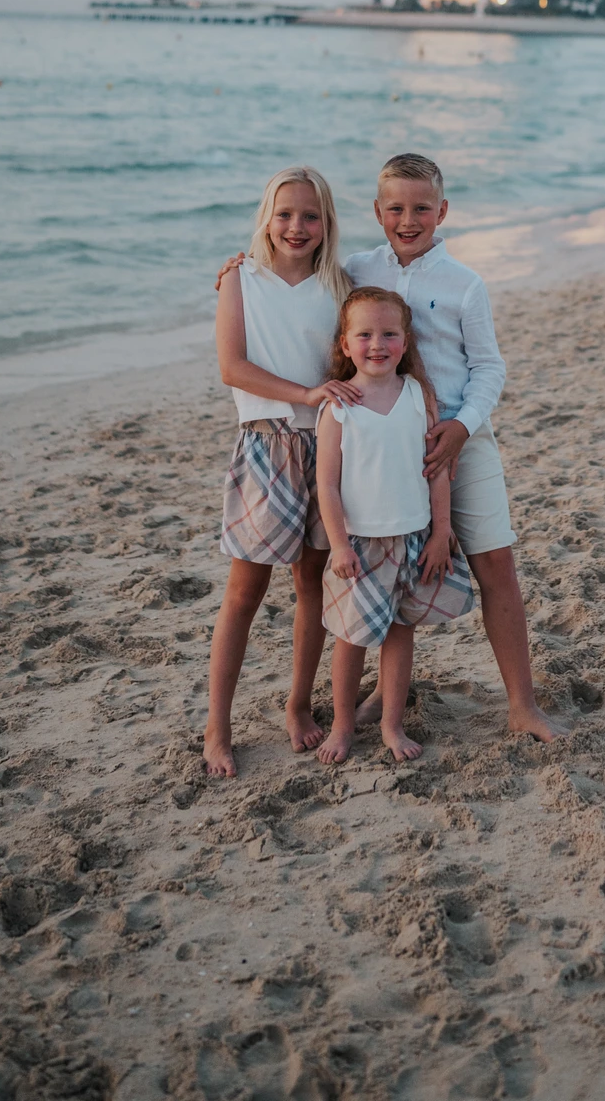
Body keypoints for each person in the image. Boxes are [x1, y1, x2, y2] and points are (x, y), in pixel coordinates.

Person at [345, 153, 558, 742]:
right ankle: (384, 691)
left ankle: (523, 705)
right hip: (386, 445)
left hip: (463, 437)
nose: (408, 220)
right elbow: (300, 277)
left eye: (421, 208)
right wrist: (241, 268)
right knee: (379, 565)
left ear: (442, 210)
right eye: (395, 208)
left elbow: (489, 367)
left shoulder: (464, 283)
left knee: (495, 562)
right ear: (378, 211)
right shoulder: (358, 268)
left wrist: (462, 428)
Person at [204, 166, 353, 777]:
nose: (297, 227)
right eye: (284, 214)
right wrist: (307, 393)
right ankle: (217, 728)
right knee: (244, 592)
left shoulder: (339, 283)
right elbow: (232, 368)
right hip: (266, 450)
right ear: (266, 217)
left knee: (312, 586)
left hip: (326, 450)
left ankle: (297, 705)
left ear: (327, 224)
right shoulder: (241, 279)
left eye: (310, 216)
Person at [315, 286, 474, 764]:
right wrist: (339, 546)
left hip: (414, 536)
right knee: (352, 640)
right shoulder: (339, 407)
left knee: (401, 632)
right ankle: (342, 726)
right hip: (359, 545)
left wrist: (442, 530)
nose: (377, 344)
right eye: (364, 335)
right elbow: (326, 484)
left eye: (389, 333)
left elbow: (436, 468)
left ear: (406, 342)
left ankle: (390, 724)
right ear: (345, 345)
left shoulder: (418, 395)